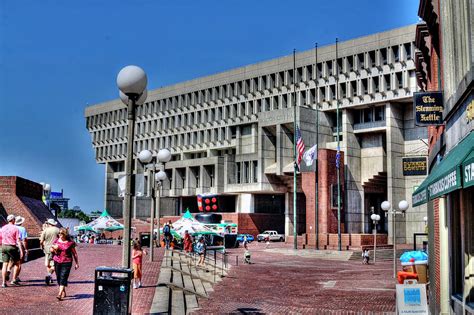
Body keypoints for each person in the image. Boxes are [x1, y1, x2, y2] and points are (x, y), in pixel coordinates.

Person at [51, 228, 78, 300]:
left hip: (67, 261)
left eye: (61, 233)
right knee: (58, 277)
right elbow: (51, 250)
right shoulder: (56, 241)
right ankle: (63, 291)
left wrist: (77, 263)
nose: (60, 235)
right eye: (59, 233)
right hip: (57, 260)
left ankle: (59, 294)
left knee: (63, 276)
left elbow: (74, 253)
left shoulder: (70, 243)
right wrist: (53, 249)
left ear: (65, 234)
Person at [1, 214, 24, 287]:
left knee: (4, 264)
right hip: (12, 247)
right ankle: (13, 280)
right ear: (13, 220)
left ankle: (3, 283)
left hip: (4, 246)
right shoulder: (15, 228)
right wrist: (21, 250)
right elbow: (18, 240)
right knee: (17, 263)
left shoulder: (3, 228)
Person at [40, 218, 60, 285]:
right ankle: (49, 275)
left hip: (47, 249)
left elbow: (41, 241)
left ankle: (49, 277)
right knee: (54, 264)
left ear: (49, 224)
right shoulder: (57, 230)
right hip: (55, 249)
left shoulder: (45, 230)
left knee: (47, 264)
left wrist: (42, 247)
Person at [12, 216, 28, 282]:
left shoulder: (12, 227)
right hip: (19, 246)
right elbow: (24, 240)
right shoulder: (22, 229)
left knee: (11, 262)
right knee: (19, 263)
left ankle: (8, 270)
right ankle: (16, 277)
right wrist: (26, 249)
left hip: (11, 245)